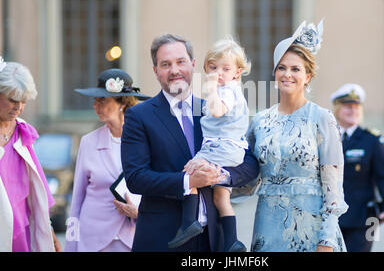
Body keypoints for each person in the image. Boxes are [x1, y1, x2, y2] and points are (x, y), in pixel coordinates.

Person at [121, 33, 259, 252]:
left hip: (213, 241)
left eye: (180, 62)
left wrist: (223, 175)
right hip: (163, 239)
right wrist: (188, 181)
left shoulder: (216, 109)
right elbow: (136, 178)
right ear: (155, 70)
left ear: (193, 65)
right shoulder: (139, 116)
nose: (174, 70)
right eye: (165, 64)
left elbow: (250, 162)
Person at [247, 20, 348, 252]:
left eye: (295, 69)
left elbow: (333, 186)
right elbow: (247, 175)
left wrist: (327, 240)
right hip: (267, 228)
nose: (287, 74)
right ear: (274, 73)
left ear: (308, 76)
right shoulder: (259, 121)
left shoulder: (322, 118)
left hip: (312, 230)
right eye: (281, 68)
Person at [169, 38, 251, 252]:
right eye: (213, 68)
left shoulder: (227, 91)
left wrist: (212, 89)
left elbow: (217, 110)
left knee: (190, 172)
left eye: (225, 68)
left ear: (237, 72)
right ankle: (232, 241)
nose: (218, 73)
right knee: (221, 196)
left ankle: (189, 222)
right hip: (232, 150)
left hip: (220, 147)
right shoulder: (234, 91)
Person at [65, 68, 150, 252]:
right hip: (92, 241)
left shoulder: (145, 141)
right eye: (95, 100)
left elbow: (154, 191)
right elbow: (76, 201)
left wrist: (139, 214)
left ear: (122, 103)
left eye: (102, 99)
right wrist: (71, 246)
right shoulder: (88, 142)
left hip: (133, 239)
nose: (96, 106)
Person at [0, 57, 61, 252]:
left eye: (23, 101)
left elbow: (38, 190)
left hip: (23, 227)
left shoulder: (22, 131)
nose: (18, 107)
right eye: (12, 100)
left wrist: (49, 233)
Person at [330, 83, 384, 252]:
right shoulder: (326, 137)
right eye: (348, 106)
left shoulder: (371, 139)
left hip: (364, 217)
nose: (353, 110)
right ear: (337, 109)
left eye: (356, 106)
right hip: (330, 215)